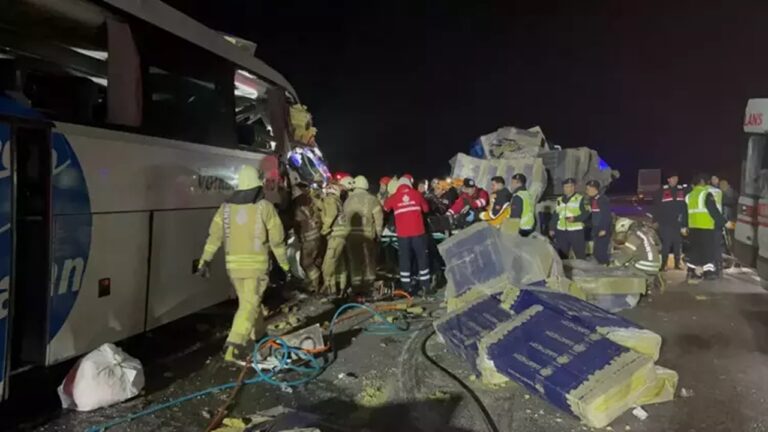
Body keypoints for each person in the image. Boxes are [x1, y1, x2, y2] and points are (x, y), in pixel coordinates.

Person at [197, 165, 290, 363]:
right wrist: (285, 265)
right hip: (256, 268)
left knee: (249, 302)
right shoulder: (264, 207)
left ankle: (260, 336)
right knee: (249, 303)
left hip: (234, 269)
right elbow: (277, 240)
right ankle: (234, 345)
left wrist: (205, 259)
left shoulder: (225, 209)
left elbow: (214, 237)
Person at [383, 177, 431, 294]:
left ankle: (406, 287)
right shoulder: (417, 194)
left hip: (403, 235)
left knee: (404, 259)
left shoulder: (394, 197)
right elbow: (426, 209)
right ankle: (425, 285)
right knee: (421, 257)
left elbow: (385, 208)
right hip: (418, 232)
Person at [344, 175, 384, 293]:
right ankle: (368, 286)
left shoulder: (347, 201)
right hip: (367, 236)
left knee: (354, 262)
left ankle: (356, 287)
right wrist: (379, 233)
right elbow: (379, 218)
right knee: (368, 261)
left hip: (350, 237)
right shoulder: (371, 199)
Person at [685, 173, 727, 283]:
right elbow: (713, 211)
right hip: (706, 227)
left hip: (693, 227)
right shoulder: (706, 194)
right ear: (702, 182)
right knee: (708, 251)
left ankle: (691, 272)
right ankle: (709, 273)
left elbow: (685, 213)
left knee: (694, 251)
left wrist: (684, 226)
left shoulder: (689, 196)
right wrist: (723, 222)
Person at [653, 172, 687, 270]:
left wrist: (685, 223)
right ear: (668, 179)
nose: (675, 180)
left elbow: (684, 207)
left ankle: (677, 263)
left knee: (677, 243)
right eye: (673, 178)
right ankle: (663, 264)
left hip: (677, 223)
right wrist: (655, 220)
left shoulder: (681, 190)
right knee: (666, 244)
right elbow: (656, 207)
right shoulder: (661, 191)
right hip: (665, 222)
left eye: (676, 178)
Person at [292, 182, 323, 292]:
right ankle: (317, 282)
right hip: (317, 237)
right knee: (315, 260)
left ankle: (315, 284)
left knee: (306, 263)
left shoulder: (298, 206)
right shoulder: (310, 201)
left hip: (308, 239)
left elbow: (297, 222)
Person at [321, 182, 350, 295]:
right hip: (342, 235)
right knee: (340, 264)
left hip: (335, 236)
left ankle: (328, 288)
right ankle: (341, 288)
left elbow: (331, 214)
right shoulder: (339, 201)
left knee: (328, 264)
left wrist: (325, 228)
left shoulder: (330, 200)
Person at [549, 178, 589, 259]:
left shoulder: (580, 199)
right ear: (563, 188)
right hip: (561, 232)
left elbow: (586, 214)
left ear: (574, 187)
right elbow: (556, 215)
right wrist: (551, 228)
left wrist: (575, 219)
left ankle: (581, 266)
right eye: (566, 187)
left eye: (571, 186)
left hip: (576, 231)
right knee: (562, 255)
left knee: (580, 254)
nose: (569, 189)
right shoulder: (559, 200)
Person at [586, 180, 611, 265]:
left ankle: (605, 266)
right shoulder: (592, 199)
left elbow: (606, 216)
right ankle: (601, 266)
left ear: (594, 189)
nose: (587, 191)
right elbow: (594, 215)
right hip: (596, 229)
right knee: (596, 251)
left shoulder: (602, 200)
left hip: (602, 229)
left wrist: (604, 229)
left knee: (601, 252)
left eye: (588, 189)